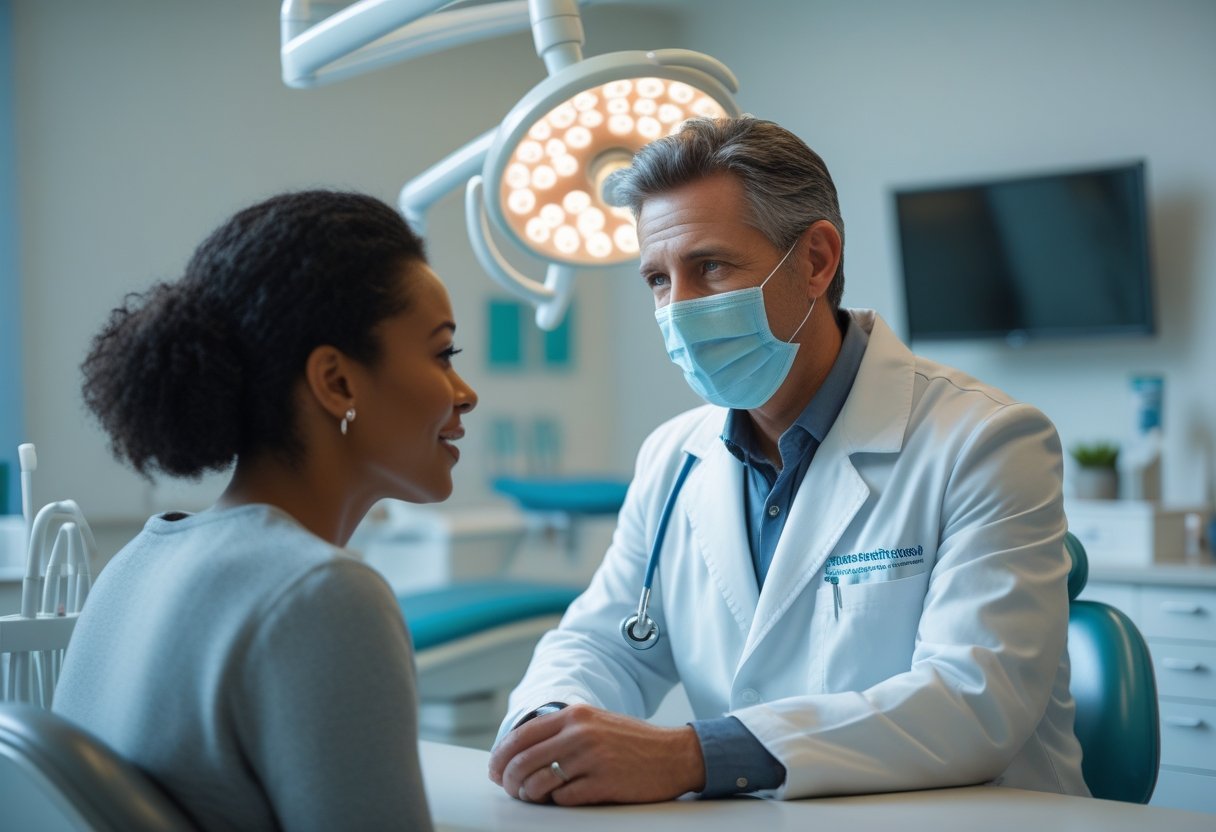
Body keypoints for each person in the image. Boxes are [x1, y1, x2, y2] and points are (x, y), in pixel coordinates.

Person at [489, 117, 1089, 805]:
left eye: (709, 266)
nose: (678, 309)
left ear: (816, 261)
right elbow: (603, 643)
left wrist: (695, 754)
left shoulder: (985, 440)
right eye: (658, 279)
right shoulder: (673, 458)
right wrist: (549, 727)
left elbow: (973, 700)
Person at [54, 190, 477, 831]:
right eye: (442, 354)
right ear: (337, 383)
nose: (464, 394)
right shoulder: (322, 595)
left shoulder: (133, 566)